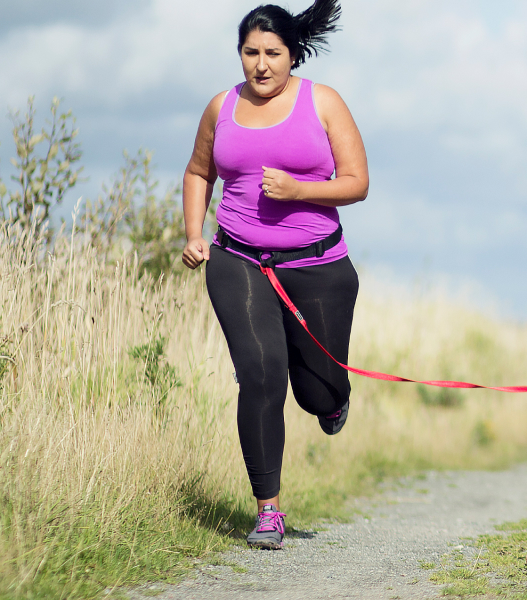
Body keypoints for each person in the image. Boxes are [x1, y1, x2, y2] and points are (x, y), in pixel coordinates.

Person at [178, 0, 368, 550]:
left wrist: (299, 189)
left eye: (272, 54)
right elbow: (198, 172)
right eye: (250, 52)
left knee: (315, 392)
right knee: (261, 373)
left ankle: (333, 399)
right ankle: (268, 510)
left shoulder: (323, 103)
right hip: (238, 260)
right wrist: (195, 234)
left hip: (319, 265)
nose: (260, 65)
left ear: (292, 55)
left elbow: (356, 182)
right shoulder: (222, 107)